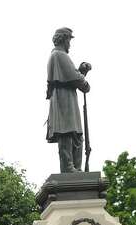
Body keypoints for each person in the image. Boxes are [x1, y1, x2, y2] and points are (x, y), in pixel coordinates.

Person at [45, 27, 91, 173]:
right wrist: (84, 81)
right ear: (64, 39)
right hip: (63, 99)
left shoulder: (58, 55)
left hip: (66, 97)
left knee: (76, 134)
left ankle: (76, 168)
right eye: (69, 40)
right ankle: (68, 167)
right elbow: (75, 78)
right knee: (67, 131)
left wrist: (81, 71)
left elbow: (71, 75)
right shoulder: (60, 55)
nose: (70, 44)